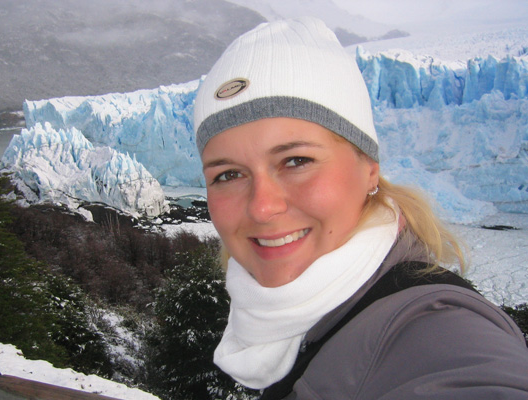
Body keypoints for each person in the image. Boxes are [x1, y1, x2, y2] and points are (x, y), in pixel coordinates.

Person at [192, 17, 528, 399]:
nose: (262, 207)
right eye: (228, 174)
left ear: (370, 169)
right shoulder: (278, 321)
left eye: (297, 161)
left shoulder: (435, 329)